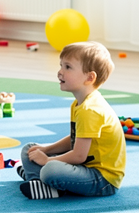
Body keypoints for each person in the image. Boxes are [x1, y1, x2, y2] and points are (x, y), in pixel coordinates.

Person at [17, 41, 126, 200]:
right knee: (30, 149)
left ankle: (40, 178)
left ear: (89, 77)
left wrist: (47, 160)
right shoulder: (79, 103)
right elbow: (74, 140)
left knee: (50, 169)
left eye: (67, 67)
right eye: (61, 65)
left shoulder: (90, 110)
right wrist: (45, 149)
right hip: (83, 167)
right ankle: (36, 180)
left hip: (103, 179)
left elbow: (78, 156)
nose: (60, 72)